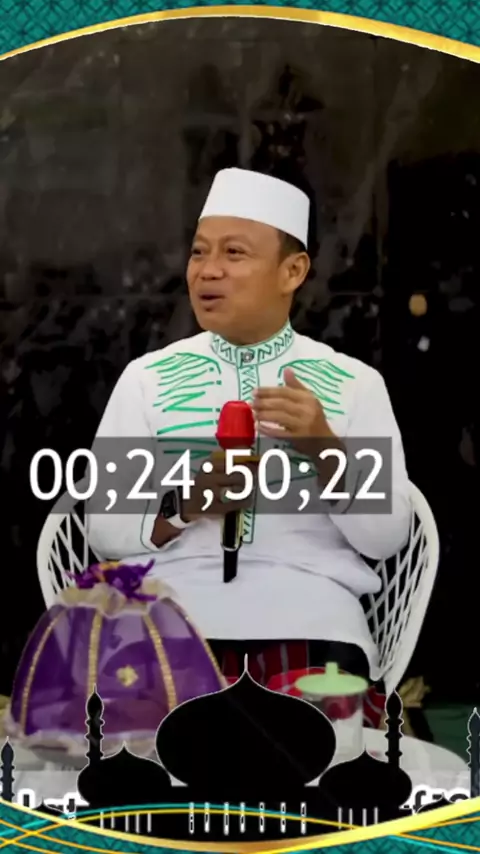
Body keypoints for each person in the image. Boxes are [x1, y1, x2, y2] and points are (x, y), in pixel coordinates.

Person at [87, 168, 411, 724]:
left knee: (306, 751)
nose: (208, 270)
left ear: (292, 271)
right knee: (161, 755)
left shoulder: (354, 384)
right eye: (199, 252)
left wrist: (324, 448)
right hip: (175, 613)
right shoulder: (147, 379)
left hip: (311, 616)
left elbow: (386, 539)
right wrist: (185, 504)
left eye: (234, 253)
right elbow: (103, 526)